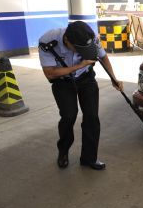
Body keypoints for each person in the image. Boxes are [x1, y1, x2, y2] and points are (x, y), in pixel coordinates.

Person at [38, 21, 123, 170]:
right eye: (78, 49)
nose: (80, 51)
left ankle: (89, 158)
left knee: (92, 117)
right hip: (62, 82)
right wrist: (79, 65)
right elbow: (50, 73)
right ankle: (63, 152)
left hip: (86, 78)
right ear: (67, 41)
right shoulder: (48, 42)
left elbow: (103, 57)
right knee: (69, 116)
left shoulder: (89, 38)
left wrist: (113, 78)